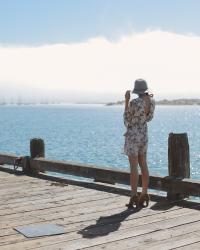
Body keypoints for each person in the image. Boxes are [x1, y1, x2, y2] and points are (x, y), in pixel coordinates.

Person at [123, 79, 155, 208]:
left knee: (133, 166)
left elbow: (126, 119)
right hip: (144, 134)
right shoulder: (152, 101)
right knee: (143, 164)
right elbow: (149, 118)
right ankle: (145, 193)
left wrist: (126, 101)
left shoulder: (134, 102)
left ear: (137, 90)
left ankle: (133, 196)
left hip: (133, 135)